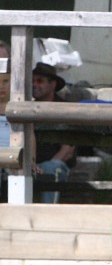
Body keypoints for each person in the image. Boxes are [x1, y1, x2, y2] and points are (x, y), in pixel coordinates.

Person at [31, 62, 75, 203]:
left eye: (40, 81)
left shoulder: (65, 110)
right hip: (30, 166)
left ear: (53, 84)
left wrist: (44, 167)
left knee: (51, 169)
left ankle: (47, 218)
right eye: (32, 81)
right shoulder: (26, 108)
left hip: (57, 166)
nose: (34, 85)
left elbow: (68, 150)